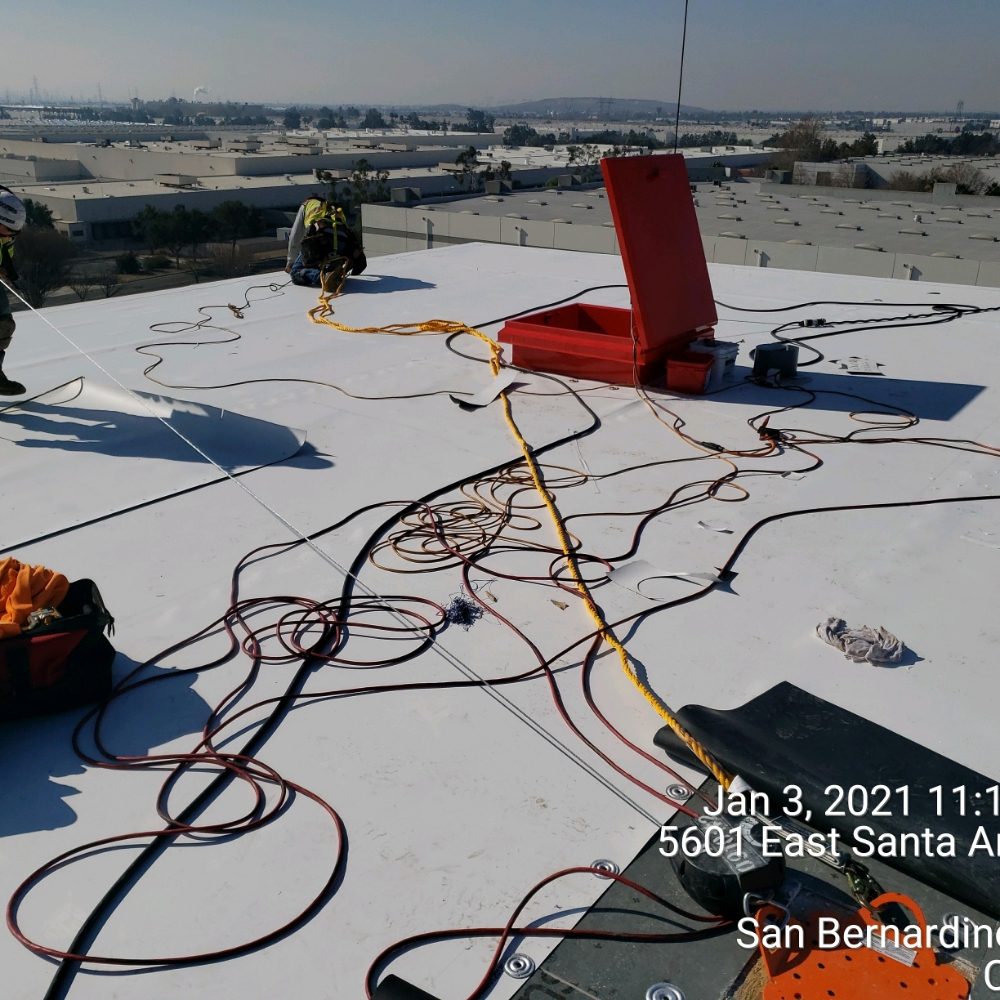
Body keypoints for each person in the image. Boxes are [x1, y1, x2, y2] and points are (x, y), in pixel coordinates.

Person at [284, 194, 367, 292]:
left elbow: (295, 236)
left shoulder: (306, 205)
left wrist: (290, 263)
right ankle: (333, 271)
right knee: (319, 256)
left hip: (322, 242)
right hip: (343, 247)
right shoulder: (333, 210)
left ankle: (323, 278)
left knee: (295, 272)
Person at [0, 187, 27, 395]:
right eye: (5, 231)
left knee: (3, 325)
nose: (9, 236)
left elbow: (5, 249)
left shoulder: (8, 228)